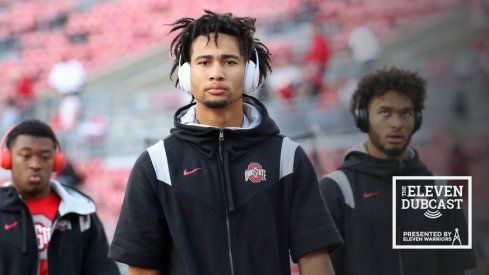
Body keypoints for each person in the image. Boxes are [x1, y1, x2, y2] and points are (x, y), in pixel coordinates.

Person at [109, 10, 343, 275]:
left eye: (229, 61)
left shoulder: (287, 158)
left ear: (250, 71)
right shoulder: (155, 165)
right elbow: (142, 269)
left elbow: (315, 259)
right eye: (204, 62)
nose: (216, 73)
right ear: (186, 73)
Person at [319, 67, 477, 275]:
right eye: (385, 112)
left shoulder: (441, 190)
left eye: (406, 113)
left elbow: (455, 269)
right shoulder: (336, 189)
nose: (397, 123)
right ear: (364, 117)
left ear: (417, 119)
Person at [0, 119, 120, 275]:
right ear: (7, 159)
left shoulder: (81, 210)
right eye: (26, 155)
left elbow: (103, 269)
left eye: (44, 156)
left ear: (56, 162)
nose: (35, 164)